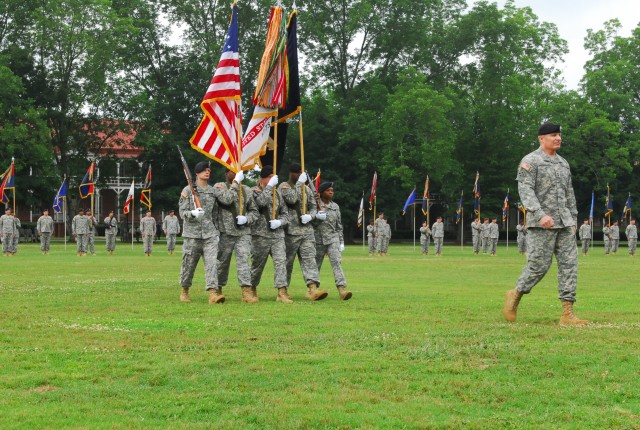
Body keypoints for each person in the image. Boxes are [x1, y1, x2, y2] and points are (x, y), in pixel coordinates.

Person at [504, 122, 587, 325]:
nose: (558, 138)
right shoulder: (530, 161)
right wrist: (540, 214)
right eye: (553, 135)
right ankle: (515, 294)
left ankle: (567, 313)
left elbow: (569, 193)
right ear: (541, 139)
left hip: (565, 223)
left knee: (569, 266)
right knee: (539, 266)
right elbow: (525, 190)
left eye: (559, 135)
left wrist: (573, 219)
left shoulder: (563, 163)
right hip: (542, 224)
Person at [279, 163, 328, 301]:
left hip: (307, 231)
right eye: (297, 173)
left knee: (309, 260)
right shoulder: (284, 186)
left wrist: (311, 216)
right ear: (291, 173)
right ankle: (283, 291)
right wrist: (299, 184)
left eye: (301, 173)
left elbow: (313, 207)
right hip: (290, 232)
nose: (300, 175)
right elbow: (291, 199)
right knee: (287, 263)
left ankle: (313, 289)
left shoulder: (306, 189)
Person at [179, 161, 225, 304]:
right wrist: (192, 213)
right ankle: (185, 290)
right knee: (189, 264)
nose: (207, 172)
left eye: (209, 170)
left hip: (210, 234)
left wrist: (216, 230)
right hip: (192, 234)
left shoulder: (213, 191)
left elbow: (216, 213)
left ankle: (213, 293)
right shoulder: (187, 190)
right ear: (197, 173)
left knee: (212, 263)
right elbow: (182, 212)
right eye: (204, 170)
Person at [214, 168, 259, 303]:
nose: (236, 174)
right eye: (232, 172)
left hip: (243, 232)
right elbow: (226, 200)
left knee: (244, 262)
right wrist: (235, 183)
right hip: (225, 232)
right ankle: (218, 289)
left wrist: (247, 218)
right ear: (226, 174)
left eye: (238, 172)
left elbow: (254, 212)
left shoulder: (247, 190)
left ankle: (246, 292)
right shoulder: (220, 186)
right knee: (222, 263)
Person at [250, 165, 292, 303]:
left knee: (281, 262)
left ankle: (282, 292)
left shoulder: (278, 194)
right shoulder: (254, 191)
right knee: (257, 265)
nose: (273, 179)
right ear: (263, 178)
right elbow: (260, 202)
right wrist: (269, 188)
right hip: (260, 235)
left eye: (274, 177)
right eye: (270, 177)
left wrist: (280, 222)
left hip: (277, 235)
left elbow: (286, 214)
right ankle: (252, 289)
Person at [313, 182, 352, 300]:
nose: (331, 192)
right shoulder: (314, 205)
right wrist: (317, 217)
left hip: (332, 239)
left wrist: (341, 241)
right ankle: (314, 290)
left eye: (332, 190)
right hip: (318, 239)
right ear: (321, 193)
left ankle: (342, 290)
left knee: (336, 263)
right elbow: (309, 223)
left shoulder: (335, 206)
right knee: (315, 266)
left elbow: (339, 225)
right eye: (328, 190)